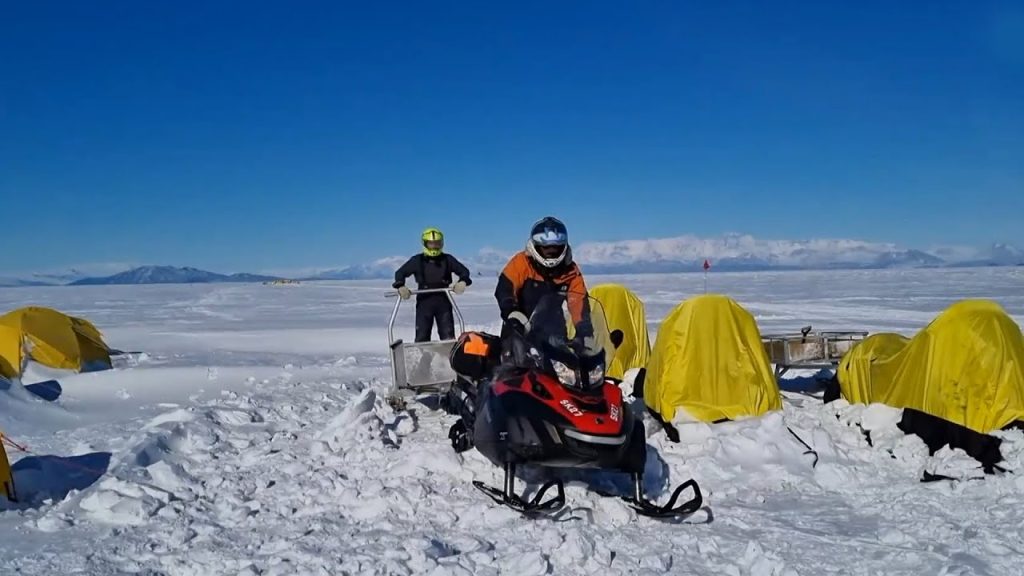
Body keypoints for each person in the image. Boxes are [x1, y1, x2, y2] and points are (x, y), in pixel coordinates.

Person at [494, 216, 588, 340]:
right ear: (536, 246)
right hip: (519, 331)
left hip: (555, 337)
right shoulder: (522, 263)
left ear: (564, 247)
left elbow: (579, 303)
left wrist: (585, 331)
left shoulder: (570, 270)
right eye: (546, 248)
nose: (551, 252)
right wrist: (512, 313)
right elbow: (504, 289)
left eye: (555, 248)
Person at [393, 227, 472, 342]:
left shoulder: (447, 259)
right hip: (424, 301)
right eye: (431, 244)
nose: (434, 246)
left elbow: (464, 271)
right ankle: (422, 358)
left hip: (443, 300)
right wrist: (400, 286)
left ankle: (448, 358)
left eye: (437, 243)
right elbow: (400, 273)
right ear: (425, 243)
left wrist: (463, 281)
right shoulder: (417, 261)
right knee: (422, 336)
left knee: (448, 336)